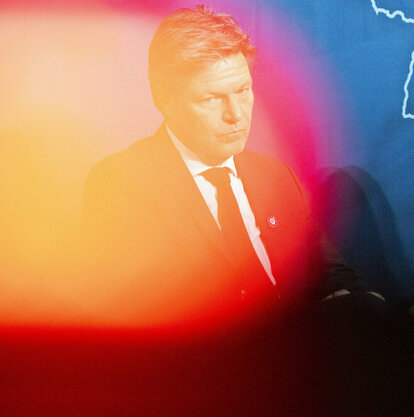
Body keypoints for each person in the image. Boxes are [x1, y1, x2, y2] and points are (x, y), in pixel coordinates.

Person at [82, 6, 376, 324]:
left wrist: (365, 305)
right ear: (164, 98)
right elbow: (146, 315)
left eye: (242, 91)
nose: (236, 115)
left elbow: (328, 273)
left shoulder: (275, 176)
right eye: (212, 98)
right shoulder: (122, 184)